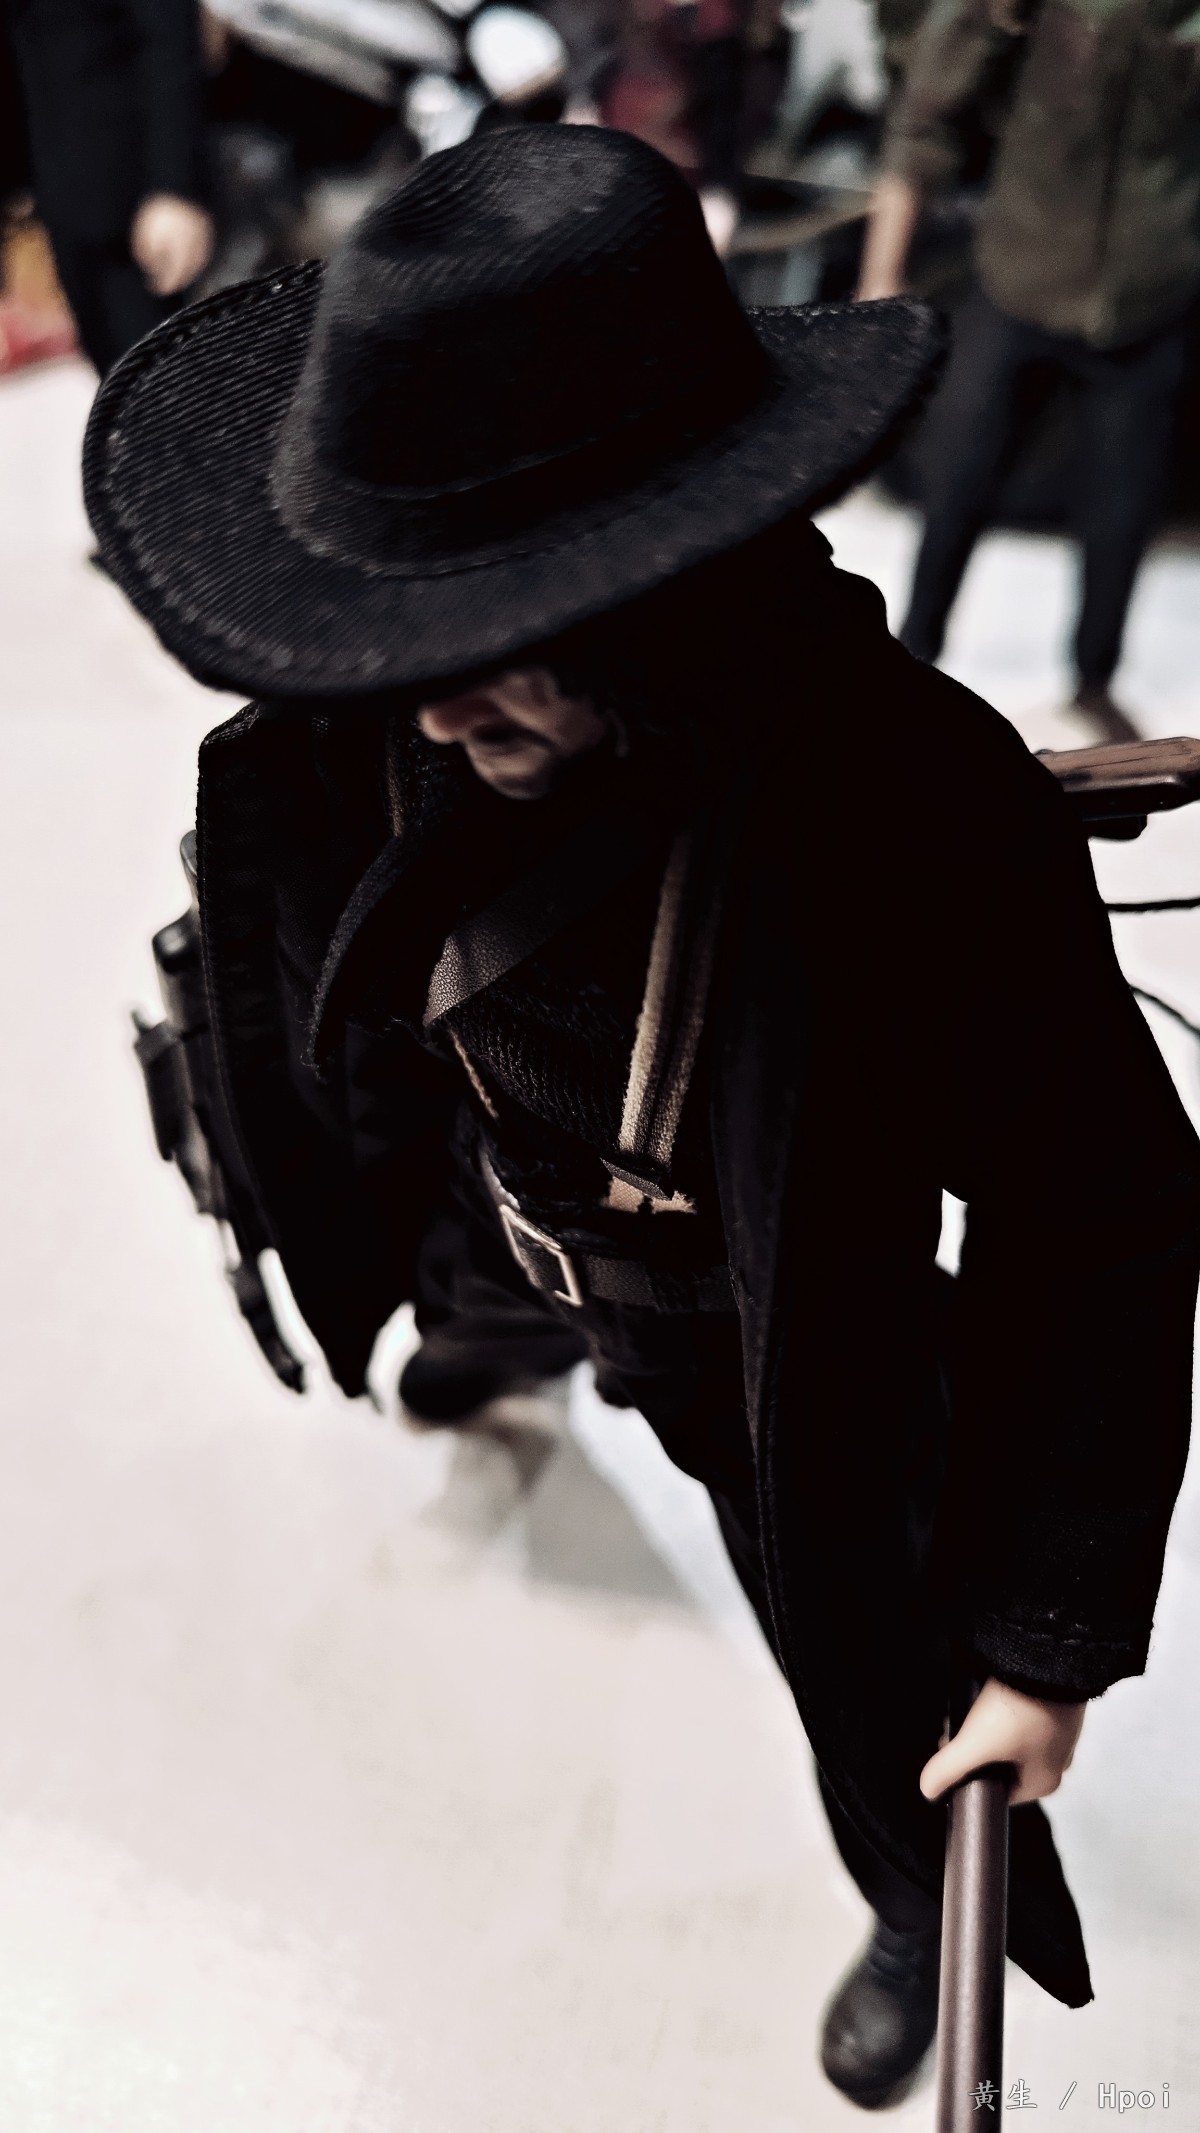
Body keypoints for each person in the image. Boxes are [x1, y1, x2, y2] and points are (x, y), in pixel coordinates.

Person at [84, 126, 1200, 2108]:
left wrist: (1042, 1637)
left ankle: (909, 1882)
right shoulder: (383, 693)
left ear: (662, 574)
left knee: (864, 1633)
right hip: (478, 1170)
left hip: (749, 1308)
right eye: (407, 640)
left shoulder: (912, 815)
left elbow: (1099, 1216)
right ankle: (488, 1332)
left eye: (497, 646)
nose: (434, 709)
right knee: (473, 1287)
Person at [857, 0, 1200, 743]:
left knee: (1123, 503)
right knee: (959, 475)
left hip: (1149, 288)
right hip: (1022, 267)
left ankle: (1094, 677)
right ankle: (914, 649)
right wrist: (882, 271)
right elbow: (927, 118)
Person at [6, 0, 214, 374]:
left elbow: (170, 41)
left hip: (138, 203)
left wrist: (175, 187)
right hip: (58, 197)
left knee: (169, 377)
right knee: (111, 374)